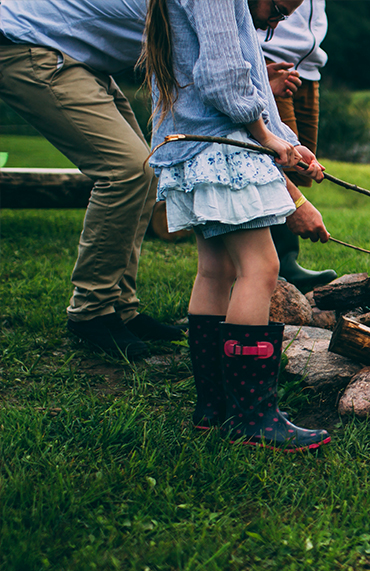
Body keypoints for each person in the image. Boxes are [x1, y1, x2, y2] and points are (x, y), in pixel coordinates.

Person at [141, 0, 330, 451]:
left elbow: (250, 87)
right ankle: (253, 416)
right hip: (221, 146)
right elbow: (223, 76)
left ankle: (216, 407)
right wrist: (266, 139)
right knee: (260, 269)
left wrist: (291, 144)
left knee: (216, 271)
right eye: (280, 8)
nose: (277, 21)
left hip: (193, 145)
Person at [0, 0, 184, 360]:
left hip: (75, 53)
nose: (276, 23)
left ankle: (120, 306)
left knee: (146, 170)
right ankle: (91, 311)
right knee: (127, 170)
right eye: (277, 10)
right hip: (30, 43)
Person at [260, 0, 337, 292]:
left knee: (300, 166)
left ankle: (284, 259)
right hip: (270, 57)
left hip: (310, 65)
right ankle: (275, 262)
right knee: (274, 159)